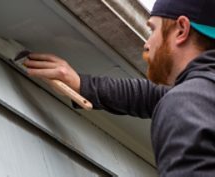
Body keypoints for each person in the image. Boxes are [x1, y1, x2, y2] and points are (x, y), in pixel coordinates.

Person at [23, 0, 215, 176]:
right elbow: (152, 96)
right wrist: (83, 85)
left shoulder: (187, 102)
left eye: (153, 30)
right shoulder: (203, 98)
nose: (147, 44)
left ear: (181, 30)